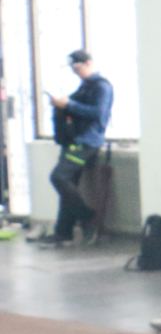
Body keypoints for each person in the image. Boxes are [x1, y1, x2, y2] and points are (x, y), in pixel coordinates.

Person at [33, 49, 113, 247]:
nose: (75, 72)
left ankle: (87, 216)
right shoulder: (84, 87)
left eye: (77, 68)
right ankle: (63, 232)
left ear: (88, 63)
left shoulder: (102, 87)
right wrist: (60, 104)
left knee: (59, 177)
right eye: (72, 69)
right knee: (68, 185)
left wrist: (68, 105)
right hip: (73, 141)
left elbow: (98, 114)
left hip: (86, 143)